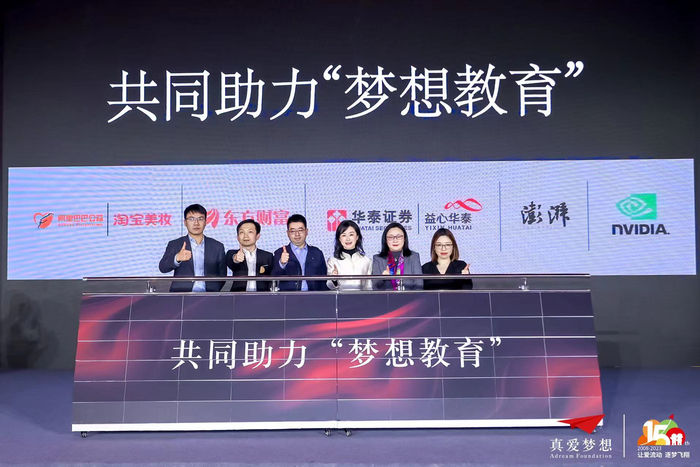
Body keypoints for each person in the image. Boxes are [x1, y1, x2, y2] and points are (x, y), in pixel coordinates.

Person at [158, 204, 226, 292]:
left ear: (205, 222)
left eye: (200, 219)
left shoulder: (217, 246)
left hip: (209, 295)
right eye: (191, 219)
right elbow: (163, 268)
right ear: (185, 223)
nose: (196, 223)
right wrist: (177, 258)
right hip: (182, 295)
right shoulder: (175, 244)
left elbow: (222, 276)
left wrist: (213, 291)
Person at [271, 214, 328, 291]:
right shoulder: (279, 253)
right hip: (289, 296)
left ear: (306, 231)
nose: (297, 234)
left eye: (300, 230)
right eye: (292, 231)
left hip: (313, 296)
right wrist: (282, 263)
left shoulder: (317, 253)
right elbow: (273, 278)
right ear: (287, 233)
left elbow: (324, 281)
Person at [372, 222, 423, 290]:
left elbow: (419, 285)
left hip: (410, 296)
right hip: (386, 296)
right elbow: (375, 287)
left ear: (404, 239)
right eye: (391, 237)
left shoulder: (413, 257)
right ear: (386, 240)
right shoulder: (378, 259)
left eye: (399, 237)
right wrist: (383, 279)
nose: (395, 240)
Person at [226, 219, 273, 292]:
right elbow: (232, 261)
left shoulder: (268, 256)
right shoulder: (231, 253)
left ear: (257, 236)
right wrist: (236, 259)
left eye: (250, 232)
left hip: (262, 295)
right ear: (238, 237)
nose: (246, 236)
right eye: (242, 232)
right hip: (239, 295)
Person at [326, 220, 372, 291]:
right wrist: (334, 279)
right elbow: (330, 286)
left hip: (362, 297)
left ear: (357, 237)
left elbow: (369, 287)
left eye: (351, 235)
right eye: (344, 235)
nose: (348, 239)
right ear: (339, 238)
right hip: (341, 297)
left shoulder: (367, 260)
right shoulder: (333, 260)